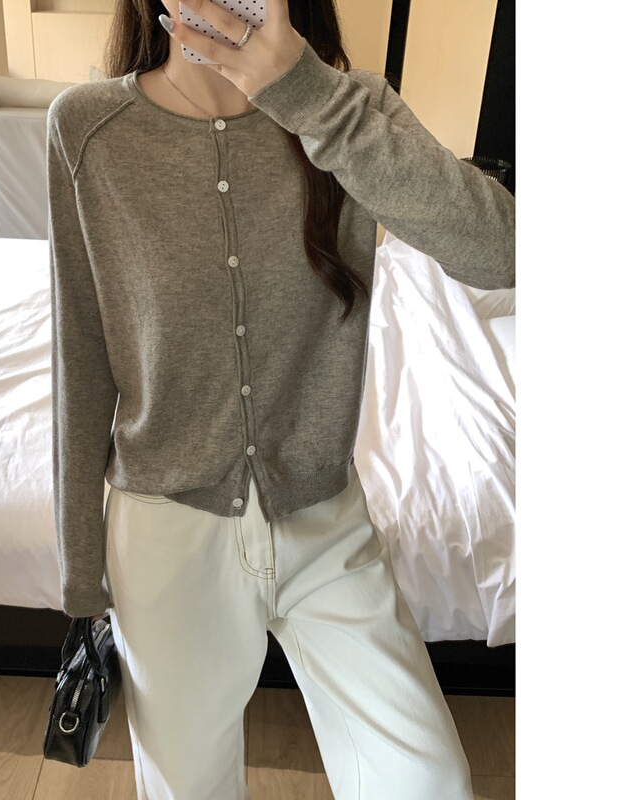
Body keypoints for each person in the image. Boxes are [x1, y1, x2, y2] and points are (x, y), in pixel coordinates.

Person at [47, 1, 515, 798]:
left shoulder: (347, 105)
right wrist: (81, 572)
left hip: (325, 521)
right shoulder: (88, 129)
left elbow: (503, 252)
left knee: (429, 780)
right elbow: (82, 351)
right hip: (165, 535)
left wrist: (305, 93)